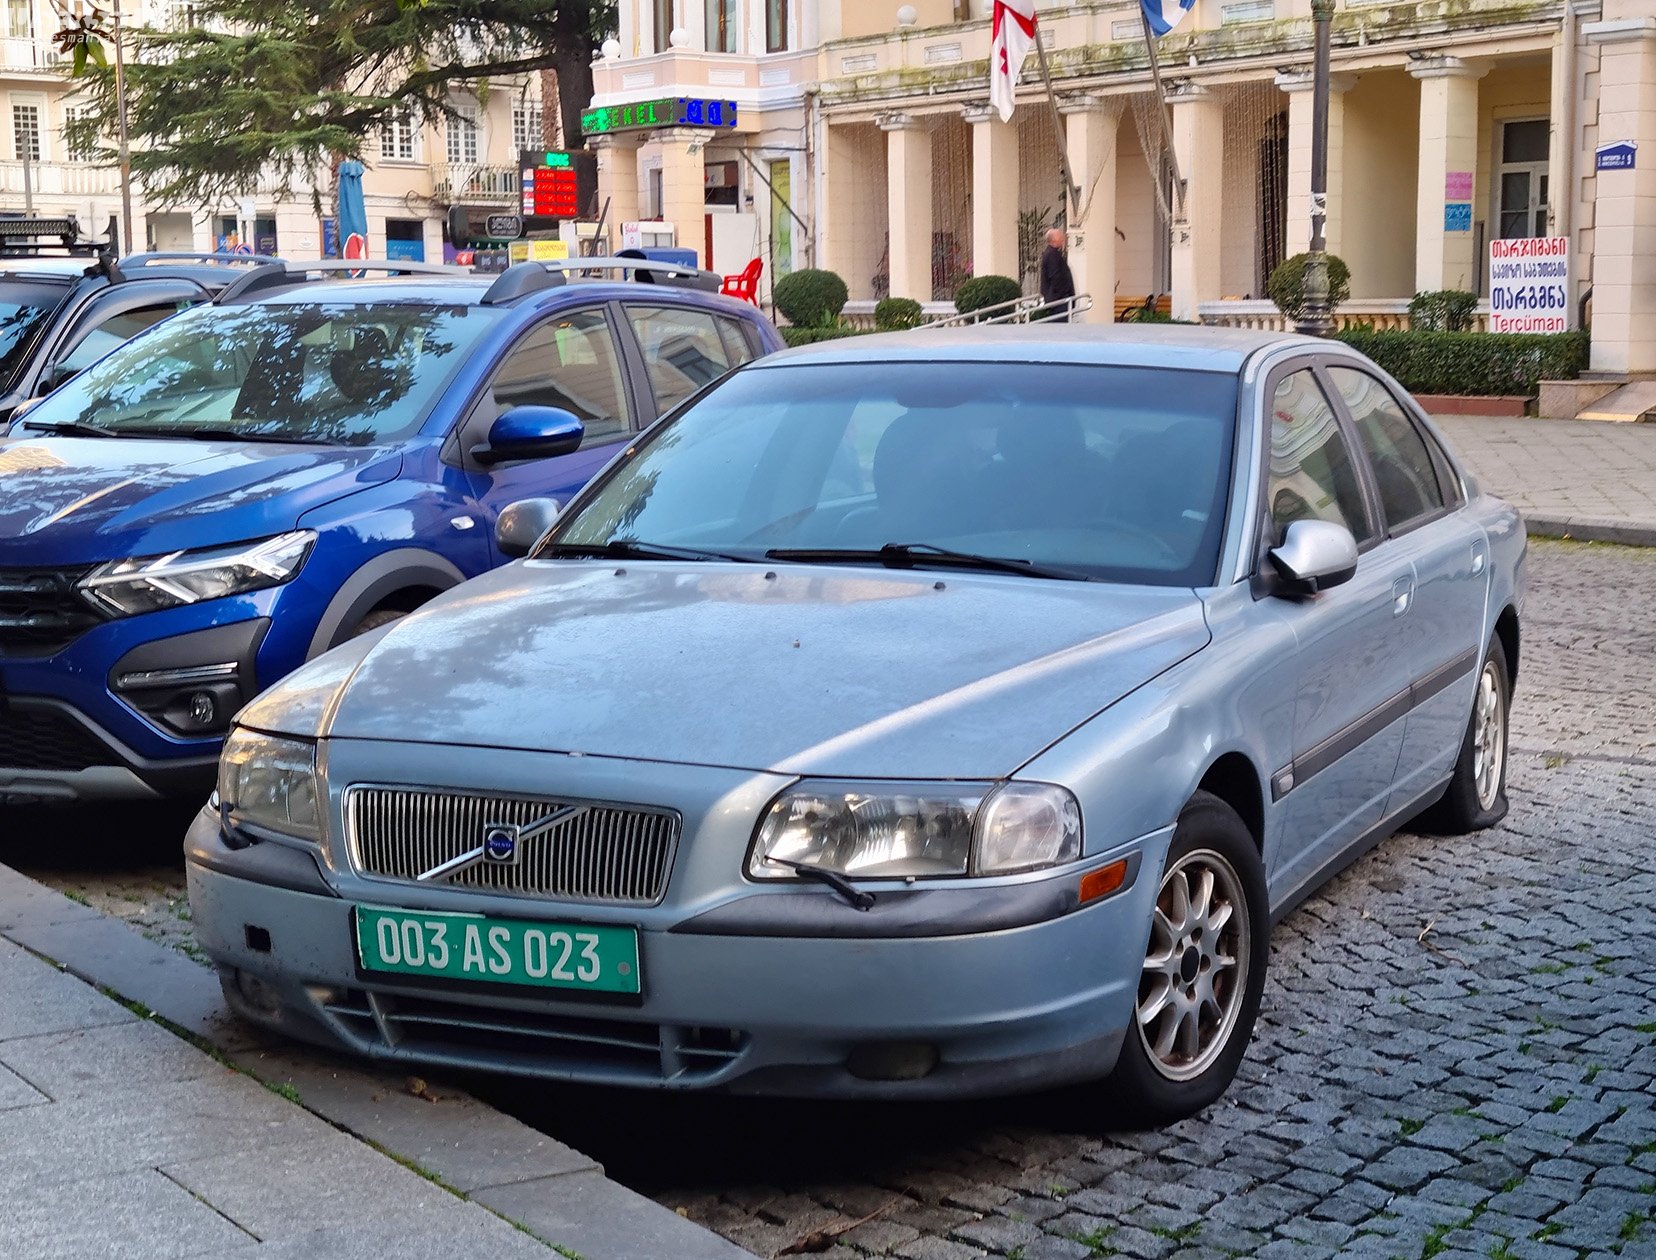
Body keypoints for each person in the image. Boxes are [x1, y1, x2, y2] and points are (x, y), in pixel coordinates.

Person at [1039, 227, 1076, 321]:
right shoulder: (1052, 255)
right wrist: (1064, 293)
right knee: (1060, 327)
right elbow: (1055, 276)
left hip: (1058, 299)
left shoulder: (1053, 253)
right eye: (1061, 236)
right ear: (1054, 239)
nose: (1063, 238)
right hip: (1058, 301)